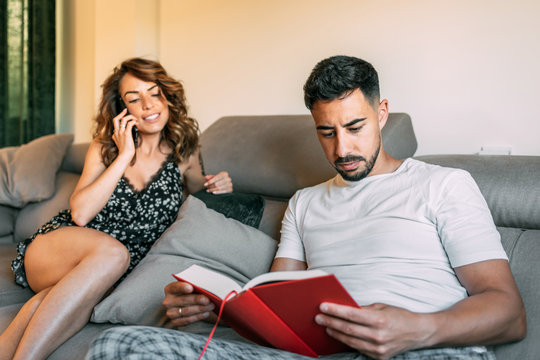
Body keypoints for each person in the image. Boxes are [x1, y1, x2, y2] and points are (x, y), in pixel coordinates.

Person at [85, 55, 526, 360]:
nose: (343, 147)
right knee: (118, 346)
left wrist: (420, 328)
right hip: (316, 353)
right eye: (326, 132)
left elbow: (507, 312)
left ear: (382, 113)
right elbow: (275, 308)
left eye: (355, 126)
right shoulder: (304, 203)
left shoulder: (443, 184)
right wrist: (214, 307)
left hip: (426, 348)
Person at [0, 57, 233, 360]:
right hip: (59, 249)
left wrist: (220, 184)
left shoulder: (184, 150)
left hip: (107, 270)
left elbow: (200, 187)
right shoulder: (105, 147)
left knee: (52, 301)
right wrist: (125, 155)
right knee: (112, 254)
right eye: (134, 99)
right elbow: (80, 214)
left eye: (154, 93)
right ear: (123, 110)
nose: (148, 105)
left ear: (167, 96)